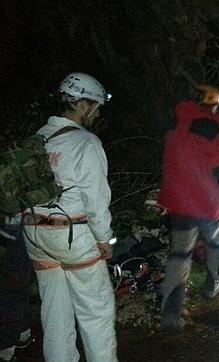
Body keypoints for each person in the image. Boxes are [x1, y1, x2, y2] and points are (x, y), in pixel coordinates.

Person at [21, 72, 117, 361]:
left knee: (54, 314)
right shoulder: (86, 143)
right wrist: (104, 239)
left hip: (35, 233)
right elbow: (96, 200)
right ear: (83, 105)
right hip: (72, 236)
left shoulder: (38, 138)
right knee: (95, 314)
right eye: (96, 107)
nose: (97, 114)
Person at [158, 84, 219, 332]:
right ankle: (216, 285)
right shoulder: (213, 130)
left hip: (179, 206)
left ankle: (170, 314)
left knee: (179, 257)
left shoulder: (173, 129)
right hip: (210, 205)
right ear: (212, 104)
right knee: (218, 247)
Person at [0, 216, 34, 362]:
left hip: (11, 233)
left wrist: (5, 239)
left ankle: (6, 347)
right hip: (21, 231)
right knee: (17, 287)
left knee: (10, 290)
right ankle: (21, 334)